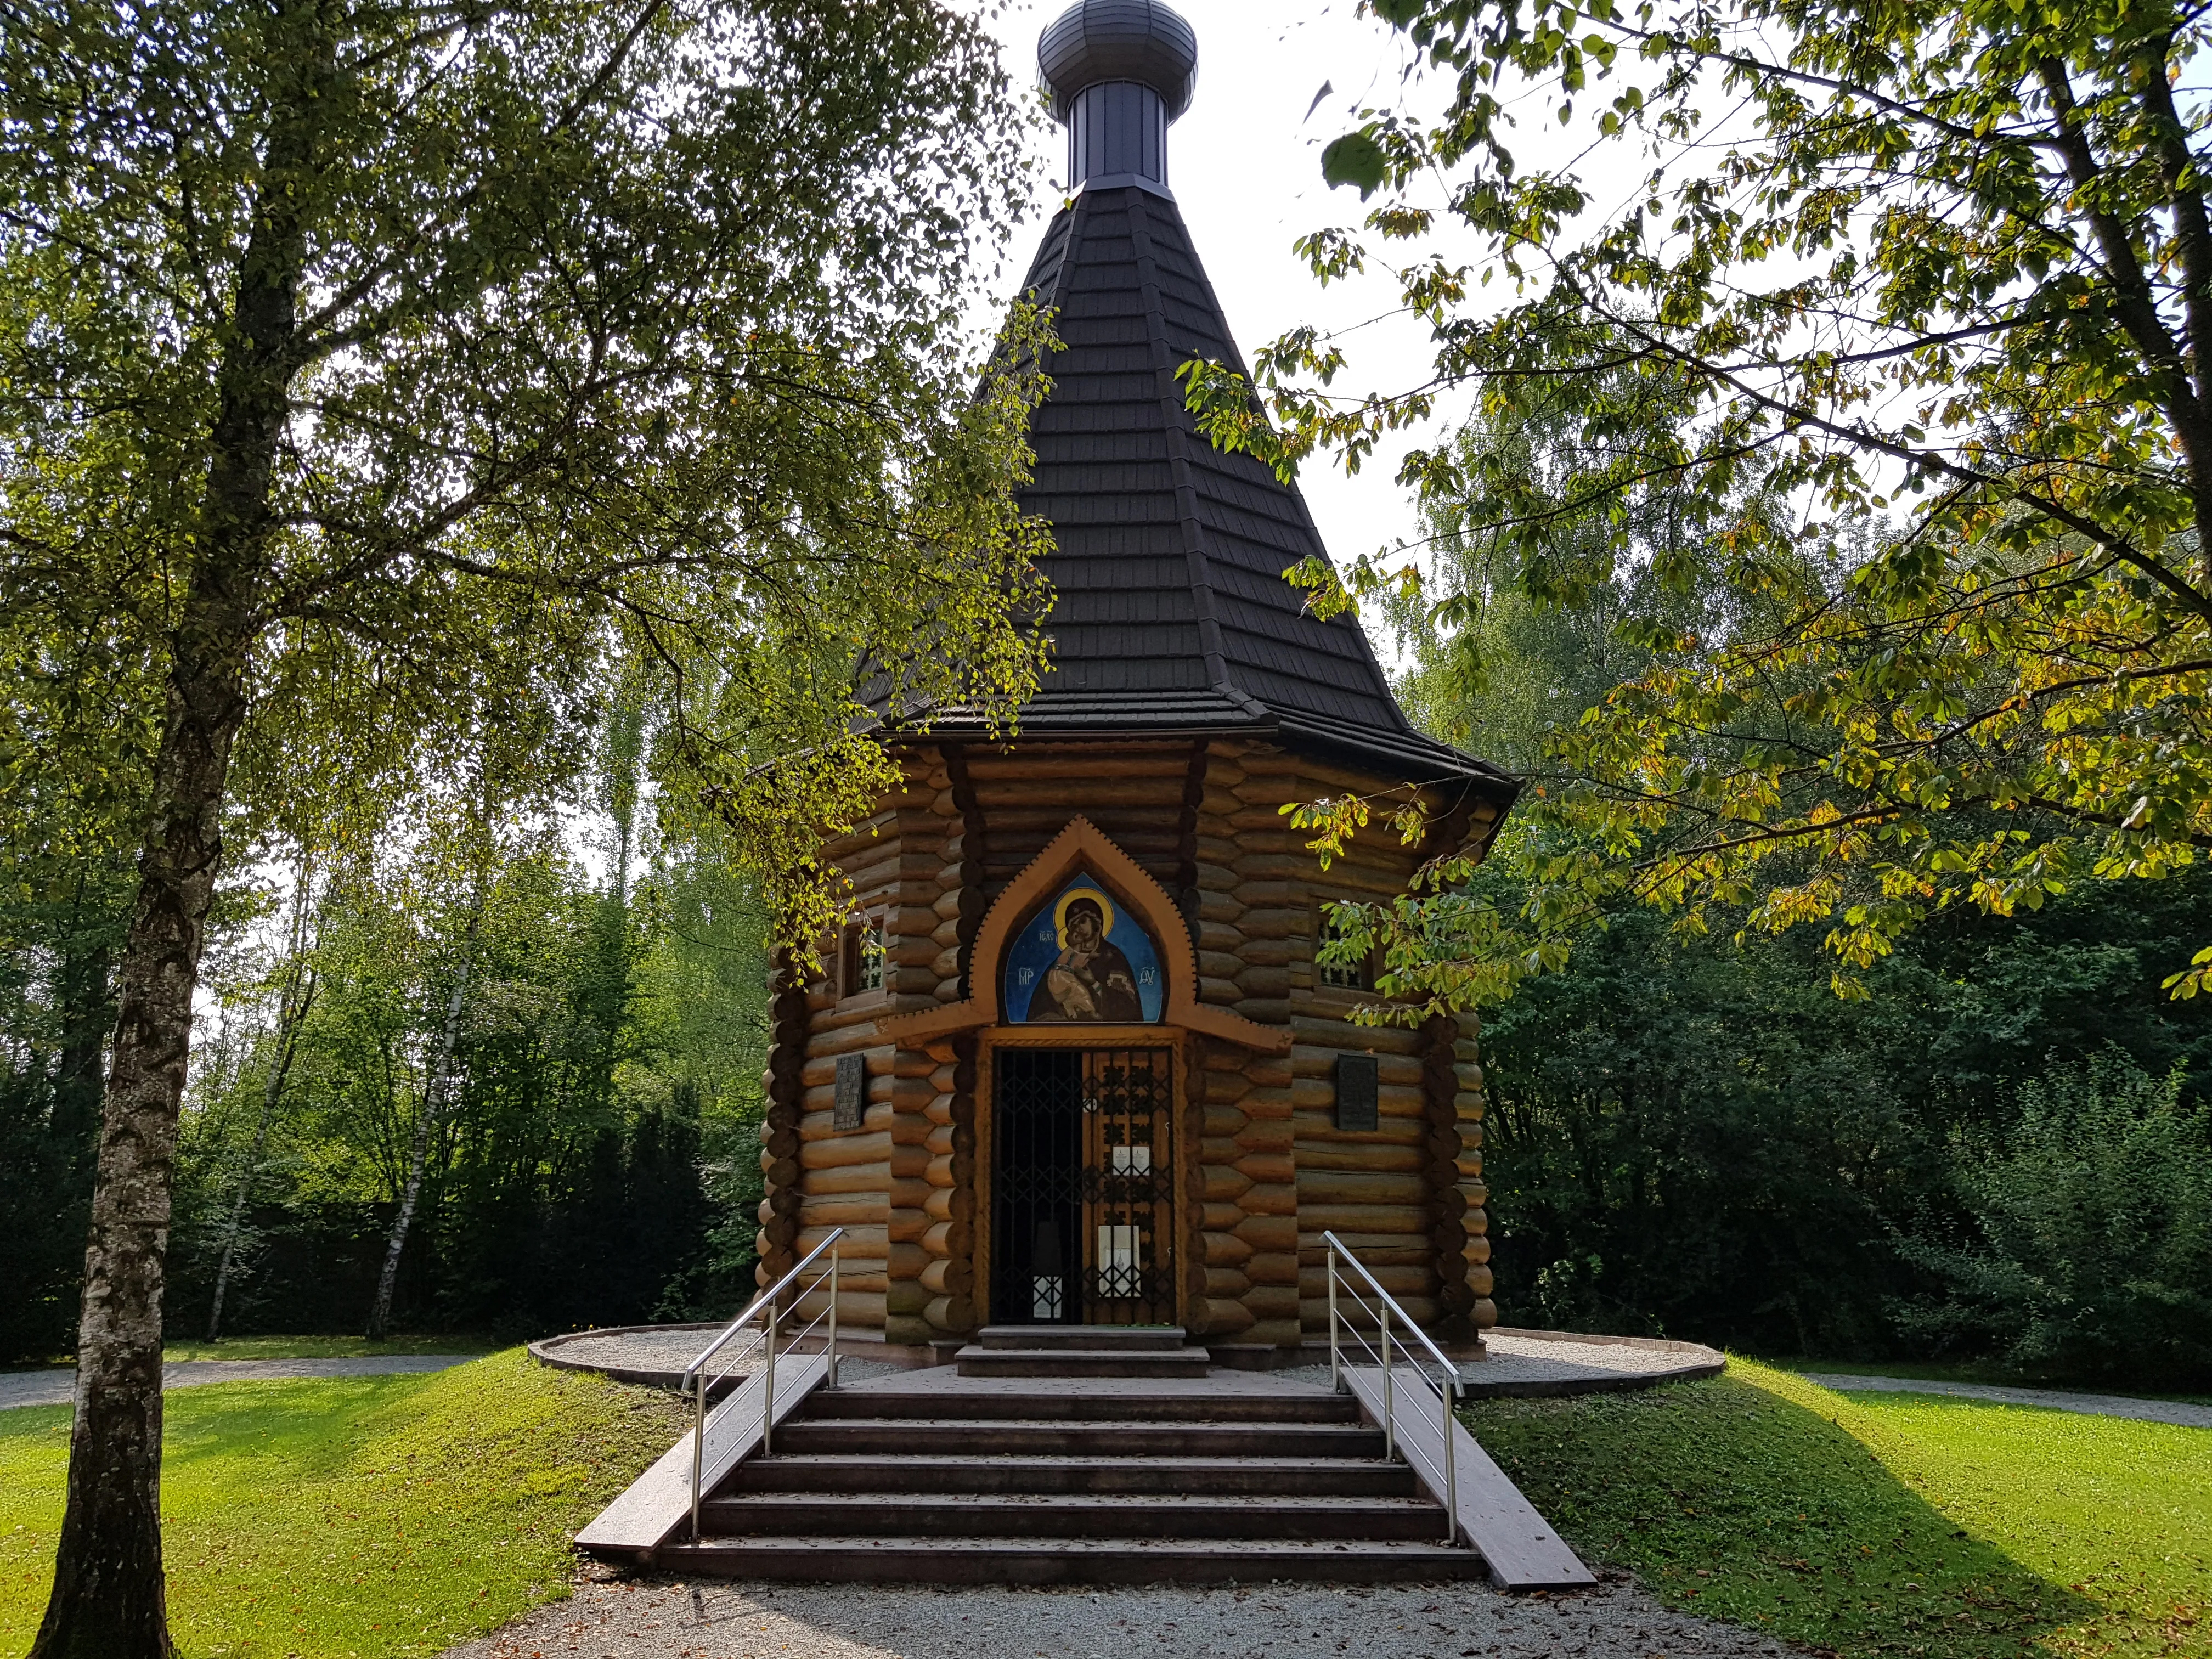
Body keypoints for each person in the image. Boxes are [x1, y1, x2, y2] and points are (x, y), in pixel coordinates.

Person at [1032, 896, 1141, 1021]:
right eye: (1073, 925)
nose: (1078, 927)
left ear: (1096, 924)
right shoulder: (1064, 960)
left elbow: (1128, 1008)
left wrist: (1093, 983)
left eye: (1082, 921)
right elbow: (1040, 1010)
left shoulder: (1111, 957)